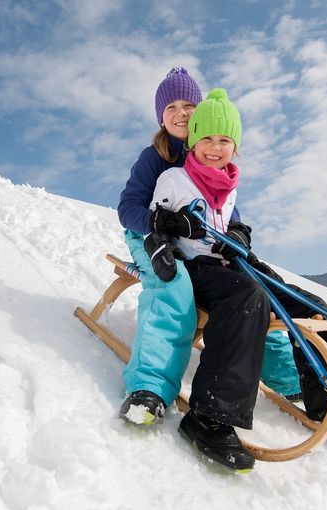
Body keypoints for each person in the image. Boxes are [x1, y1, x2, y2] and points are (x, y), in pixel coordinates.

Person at [148, 88, 327, 471]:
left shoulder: (229, 185)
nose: (215, 147)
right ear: (193, 143)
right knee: (247, 298)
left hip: (233, 265)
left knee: (312, 306)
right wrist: (172, 226)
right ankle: (209, 418)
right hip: (197, 270)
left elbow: (232, 222)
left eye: (224, 140)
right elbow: (154, 226)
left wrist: (239, 235)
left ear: (234, 146)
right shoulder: (174, 179)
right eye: (206, 138)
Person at [115, 68, 300, 426]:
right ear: (160, 116)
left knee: (256, 289)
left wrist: (239, 234)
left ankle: (288, 379)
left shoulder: (210, 150)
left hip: (204, 244)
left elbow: (228, 209)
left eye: (189, 105)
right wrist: (159, 224)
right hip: (150, 238)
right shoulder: (154, 157)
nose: (182, 113)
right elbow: (128, 209)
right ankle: (149, 387)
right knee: (174, 286)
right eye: (171, 107)